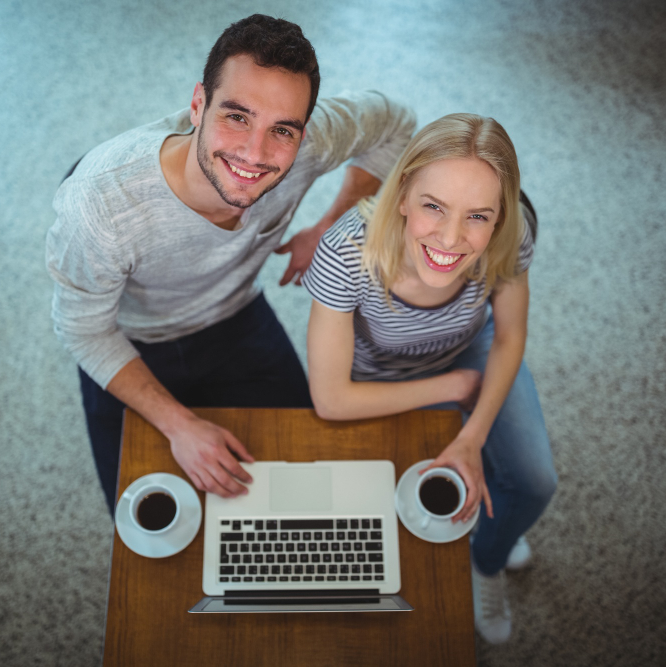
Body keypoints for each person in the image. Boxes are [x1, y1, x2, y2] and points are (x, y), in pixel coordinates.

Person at [46, 14, 416, 515]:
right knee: (149, 535)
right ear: (197, 104)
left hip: (236, 318)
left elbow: (395, 123)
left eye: (282, 130)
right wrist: (179, 425)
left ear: (303, 134)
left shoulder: (312, 143)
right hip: (131, 341)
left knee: (307, 490)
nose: (254, 154)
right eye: (236, 116)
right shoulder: (101, 203)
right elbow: (82, 330)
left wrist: (329, 225)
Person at [302, 113, 557, 644]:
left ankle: (486, 561)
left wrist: (471, 435)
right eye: (433, 207)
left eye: (478, 216)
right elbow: (329, 399)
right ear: (401, 195)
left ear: (500, 216)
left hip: (472, 349)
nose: (450, 237)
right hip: (372, 380)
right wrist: (454, 390)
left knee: (534, 482)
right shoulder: (345, 253)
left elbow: (509, 337)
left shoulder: (513, 234)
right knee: (375, 523)